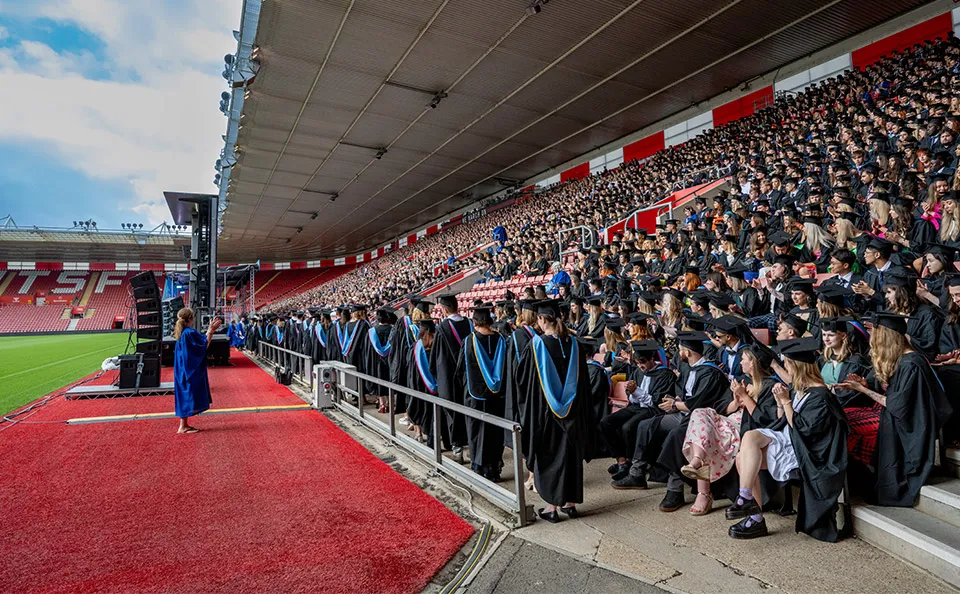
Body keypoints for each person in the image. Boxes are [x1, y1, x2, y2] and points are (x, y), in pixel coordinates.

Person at [728, 338, 848, 541]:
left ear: (798, 367)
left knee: (743, 457)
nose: (786, 370)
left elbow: (803, 429)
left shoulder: (820, 396)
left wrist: (785, 402)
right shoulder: (801, 389)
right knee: (747, 443)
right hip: (789, 438)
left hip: (807, 449)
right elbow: (782, 420)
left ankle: (754, 515)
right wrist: (779, 403)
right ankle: (747, 499)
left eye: (788, 365)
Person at [835, 313, 952, 506]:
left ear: (887, 337)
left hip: (910, 422)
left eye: (876, 334)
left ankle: (869, 475)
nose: (873, 339)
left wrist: (862, 389)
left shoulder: (912, 363)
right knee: (843, 417)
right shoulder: (900, 359)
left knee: (849, 426)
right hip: (892, 413)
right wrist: (866, 383)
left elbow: (897, 405)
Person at [679, 345, 780, 516]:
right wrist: (735, 402)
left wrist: (746, 398)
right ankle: (697, 459)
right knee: (699, 413)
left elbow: (765, 420)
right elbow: (721, 407)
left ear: (753, 363)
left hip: (748, 429)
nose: (740, 362)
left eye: (744, 359)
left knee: (708, 437)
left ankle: (702, 485)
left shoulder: (770, 385)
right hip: (728, 420)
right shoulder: (742, 380)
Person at [518, 299, 592, 522]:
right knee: (570, 456)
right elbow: (583, 384)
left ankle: (551, 507)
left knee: (551, 458)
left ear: (541, 319)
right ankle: (570, 504)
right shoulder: (575, 345)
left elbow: (524, 381)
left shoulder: (537, 345)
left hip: (547, 416)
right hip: (573, 413)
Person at [456, 305, 506, 481]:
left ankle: (480, 468)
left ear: (475, 321)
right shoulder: (501, 339)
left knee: (477, 432)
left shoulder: (470, 341)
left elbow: (461, 369)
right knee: (495, 432)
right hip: (498, 397)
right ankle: (494, 469)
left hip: (475, 396)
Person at [431, 294, 472, 462]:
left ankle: (457, 449)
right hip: (468, 376)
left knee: (453, 411)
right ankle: (471, 445)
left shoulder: (442, 328)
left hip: (450, 377)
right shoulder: (469, 323)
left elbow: (436, 358)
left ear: (445, 309)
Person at [172, 308, 220, 434]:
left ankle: (184, 424)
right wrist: (211, 331)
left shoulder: (182, 333)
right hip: (187, 371)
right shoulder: (189, 333)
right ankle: (182, 426)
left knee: (183, 395)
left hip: (181, 370)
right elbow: (203, 346)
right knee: (188, 394)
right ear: (191, 318)